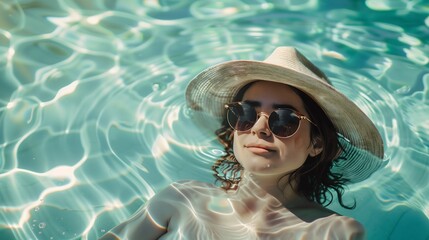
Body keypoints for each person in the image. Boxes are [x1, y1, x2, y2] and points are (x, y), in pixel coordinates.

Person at [99, 46, 384, 239]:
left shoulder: (334, 231)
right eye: (246, 113)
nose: (260, 128)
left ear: (317, 144)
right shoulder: (182, 199)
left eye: (284, 119)